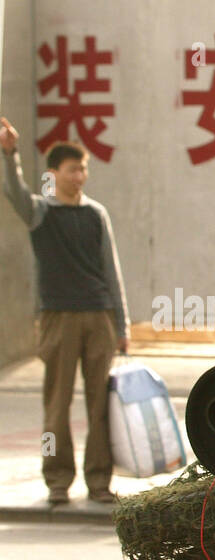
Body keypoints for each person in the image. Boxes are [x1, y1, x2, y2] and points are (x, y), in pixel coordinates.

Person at [1, 121, 129, 506]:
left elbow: (112, 269)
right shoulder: (41, 214)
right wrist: (10, 155)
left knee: (99, 404)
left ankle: (99, 481)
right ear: (54, 174)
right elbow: (14, 192)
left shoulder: (96, 214)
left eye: (84, 169)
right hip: (58, 318)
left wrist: (121, 323)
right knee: (56, 404)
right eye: (73, 169)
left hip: (99, 316)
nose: (80, 176)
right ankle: (57, 479)